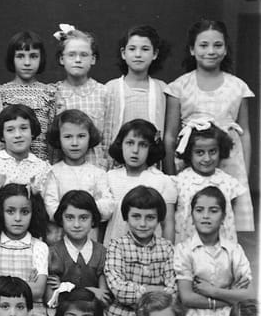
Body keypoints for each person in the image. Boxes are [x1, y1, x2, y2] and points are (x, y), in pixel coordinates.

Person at [164, 19, 254, 232]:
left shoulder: (238, 87)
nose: (211, 51)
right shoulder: (179, 86)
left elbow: (245, 134)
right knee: (189, 223)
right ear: (192, 50)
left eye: (218, 45)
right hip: (190, 165)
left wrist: (244, 176)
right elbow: (170, 136)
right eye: (203, 45)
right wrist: (171, 176)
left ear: (226, 49)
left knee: (225, 224)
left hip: (230, 164)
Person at [175, 186, 254, 316]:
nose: (206, 216)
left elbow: (250, 294)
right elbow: (187, 297)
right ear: (191, 215)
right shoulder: (184, 250)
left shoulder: (234, 250)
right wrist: (230, 295)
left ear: (224, 216)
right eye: (199, 210)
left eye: (213, 210)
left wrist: (212, 291)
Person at [104, 186, 176, 316]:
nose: (142, 224)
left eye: (150, 217)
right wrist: (157, 290)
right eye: (136, 216)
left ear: (159, 219)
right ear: (126, 217)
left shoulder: (167, 248)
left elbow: (173, 291)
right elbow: (119, 290)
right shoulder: (117, 246)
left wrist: (138, 291)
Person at [0, 183, 50, 316]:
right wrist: (25, 285)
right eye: (10, 211)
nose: (18, 218)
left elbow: (38, 291)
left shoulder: (39, 247)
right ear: (0, 212)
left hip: (30, 314)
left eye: (25, 212)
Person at [45, 190, 111, 316]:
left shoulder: (101, 252)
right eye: (69, 217)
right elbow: (51, 300)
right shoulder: (53, 252)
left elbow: (103, 298)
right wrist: (91, 290)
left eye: (83, 218)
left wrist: (65, 288)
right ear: (61, 219)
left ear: (93, 220)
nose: (76, 224)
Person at [0, 104, 50, 232]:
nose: (17, 135)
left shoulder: (42, 168)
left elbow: (44, 211)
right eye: (10, 130)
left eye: (23, 128)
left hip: (31, 237)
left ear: (32, 132)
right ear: (2, 135)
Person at [43, 109, 114, 238]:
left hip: (90, 241)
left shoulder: (98, 174)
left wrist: (76, 210)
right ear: (58, 139)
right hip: (59, 241)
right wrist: (86, 211)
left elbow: (108, 207)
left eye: (81, 136)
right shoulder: (52, 172)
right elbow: (51, 209)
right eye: (68, 137)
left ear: (89, 137)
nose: (75, 143)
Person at [105, 118, 175, 245]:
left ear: (151, 148)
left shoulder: (162, 181)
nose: (135, 150)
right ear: (121, 145)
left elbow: (168, 224)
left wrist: (166, 253)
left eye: (143, 145)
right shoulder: (109, 178)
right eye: (130, 143)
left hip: (151, 252)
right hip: (114, 251)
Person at [102, 24, 168, 159]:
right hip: (118, 161)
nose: (138, 54)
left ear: (155, 54)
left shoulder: (162, 89)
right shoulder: (110, 88)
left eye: (145, 49)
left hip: (151, 162)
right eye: (132, 49)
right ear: (123, 53)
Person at [173, 122, 244, 244]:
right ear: (189, 153)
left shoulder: (227, 182)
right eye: (200, 153)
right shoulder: (180, 181)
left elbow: (229, 218)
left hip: (219, 245)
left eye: (212, 151)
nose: (207, 158)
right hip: (188, 244)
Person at [52, 24, 110, 169]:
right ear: (62, 59)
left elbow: (109, 139)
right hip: (62, 170)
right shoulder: (53, 93)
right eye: (71, 54)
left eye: (84, 55)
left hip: (96, 169)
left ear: (93, 59)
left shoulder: (104, 92)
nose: (78, 60)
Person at [0, 30, 57, 161]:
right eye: (20, 56)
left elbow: (53, 137)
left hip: (40, 162)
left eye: (33, 56)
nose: (27, 62)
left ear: (41, 58)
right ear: (12, 59)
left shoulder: (50, 93)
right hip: (7, 164)